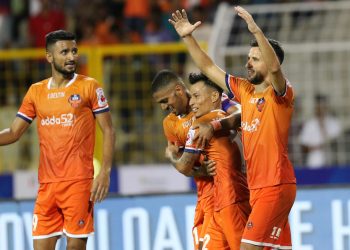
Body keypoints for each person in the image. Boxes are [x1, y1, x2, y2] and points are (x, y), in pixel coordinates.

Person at [169, 6, 296, 250]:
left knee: (247, 247)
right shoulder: (244, 90)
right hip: (257, 187)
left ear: (270, 62)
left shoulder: (280, 95)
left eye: (255, 59)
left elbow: (275, 70)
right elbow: (207, 67)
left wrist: (257, 32)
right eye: (248, 57)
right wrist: (188, 36)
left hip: (275, 185)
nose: (248, 63)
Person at [0, 30, 115, 250]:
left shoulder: (90, 86)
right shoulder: (36, 91)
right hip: (47, 185)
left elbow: (109, 130)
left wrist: (105, 173)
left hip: (78, 182)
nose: (71, 56)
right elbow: (14, 132)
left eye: (74, 51)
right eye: (64, 52)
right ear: (49, 57)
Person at [151, 69, 240, 250]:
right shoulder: (170, 124)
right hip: (205, 194)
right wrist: (200, 170)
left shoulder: (207, 100)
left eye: (165, 101)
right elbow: (183, 165)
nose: (163, 107)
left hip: (230, 189)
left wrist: (215, 126)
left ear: (178, 90)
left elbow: (240, 114)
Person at [299, 93, 342, 168]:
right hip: (314, 163)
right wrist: (319, 147)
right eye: (319, 106)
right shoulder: (309, 124)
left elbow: (338, 142)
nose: (321, 109)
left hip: (333, 162)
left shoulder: (334, 123)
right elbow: (304, 147)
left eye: (323, 106)